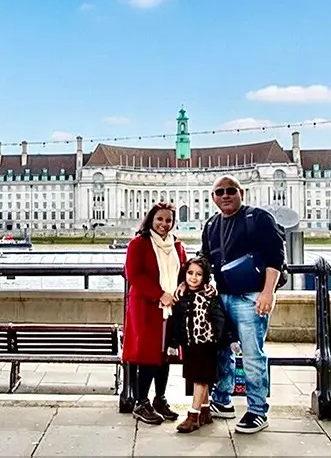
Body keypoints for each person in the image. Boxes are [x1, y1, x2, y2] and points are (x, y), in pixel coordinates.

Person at [198, 174, 285, 434]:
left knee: (252, 354)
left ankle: (258, 410)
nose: (225, 195)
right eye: (220, 192)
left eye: (230, 191)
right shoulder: (211, 225)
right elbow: (204, 259)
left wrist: (267, 293)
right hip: (222, 297)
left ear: (241, 193)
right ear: (213, 198)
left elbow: (275, 258)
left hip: (251, 297)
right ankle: (222, 401)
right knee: (222, 352)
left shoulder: (258, 218)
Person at [121, 201, 187, 425]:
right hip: (147, 307)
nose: (164, 224)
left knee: (165, 355)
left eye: (168, 220)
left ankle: (160, 399)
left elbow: (184, 272)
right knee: (147, 355)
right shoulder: (138, 244)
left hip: (171, 308)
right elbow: (134, 275)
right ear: (151, 219)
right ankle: (141, 402)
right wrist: (159, 294)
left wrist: (182, 287)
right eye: (160, 219)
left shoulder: (177, 246)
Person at [165, 257, 231, 433]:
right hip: (190, 344)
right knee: (197, 376)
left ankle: (193, 416)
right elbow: (177, 324)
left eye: (199, 274)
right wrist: (173, 343)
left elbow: (220, 319)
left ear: (205, 277)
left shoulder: (210, 296)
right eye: (190, 273)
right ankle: (205, 411)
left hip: (207, 343)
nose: (193, 278)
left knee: (201, 378)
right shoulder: (182, 298)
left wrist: (226, 340)